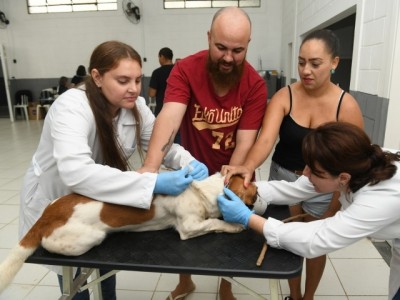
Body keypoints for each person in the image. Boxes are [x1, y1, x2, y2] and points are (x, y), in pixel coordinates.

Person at [18, 40, 208, 300]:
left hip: (103, 198)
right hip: (59, 202)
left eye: (138, 80)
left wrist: (188, 162)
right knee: (74, 279)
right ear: (97, 77)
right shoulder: (70, 107)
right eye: (123, 81)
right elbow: (76, 173)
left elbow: (161, 144)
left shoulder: (135, 107)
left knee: (106, 266)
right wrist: (152, 183)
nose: (134, 89)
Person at [222, 29, 364, 300]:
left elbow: (352, 164)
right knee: (286, 243)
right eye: (301, 62)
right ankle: (294, 294)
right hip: (284, 176)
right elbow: (264, 141)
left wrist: (335, 205)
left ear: (334, 63)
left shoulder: (346, 107)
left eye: (315, 63)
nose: (306, 70)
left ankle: (307, 297)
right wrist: (247, 167)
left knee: (315, 245)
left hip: (325, 188)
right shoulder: (284, 96)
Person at [139, 6, 267, 300]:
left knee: (229, 226)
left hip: (232, 168)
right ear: (209, 37)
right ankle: (186, 281)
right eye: (221, 47)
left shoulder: (254, 85)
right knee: (187, 225)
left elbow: (245, 141)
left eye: (237, 50)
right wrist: (150, 168)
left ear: (248, 45)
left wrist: (227, 182)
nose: (228, 57)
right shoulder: (185, 70)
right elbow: (169, 118)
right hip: (193, 167)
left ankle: (225, 284)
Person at [217, 122, 400, 300]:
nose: (305, 173)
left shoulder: (380, 199)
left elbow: (317, 239)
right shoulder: (356, 162)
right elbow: (294, 189)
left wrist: (247, 218)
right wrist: (247, 189)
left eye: (313, 171)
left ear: (343, 178)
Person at [148, 47, 180, 143]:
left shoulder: (157, 73)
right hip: (179, 111)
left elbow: (151, 94)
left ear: (162, 56)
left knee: (162, 141)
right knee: (178, 140)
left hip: (162, 111)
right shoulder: (179, 71)